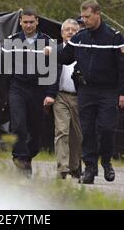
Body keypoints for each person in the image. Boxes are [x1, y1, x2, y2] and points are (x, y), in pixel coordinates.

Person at [50, 0, 124, 184]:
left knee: (106, 128)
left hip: (108, 91)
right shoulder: (80, 37)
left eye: (87, 17)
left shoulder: (114, 37)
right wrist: (51, 51)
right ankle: (90, 168)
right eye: (82, 17)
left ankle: (107, 162)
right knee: (86, 131)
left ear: (97, 14)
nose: (84, 21)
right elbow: (65, 56)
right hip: (86, 90)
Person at [4, 8, 56, 177]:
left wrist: (50, 93)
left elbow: (54, 69)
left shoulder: (48, 42)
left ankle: (28, 155)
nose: (28, 25)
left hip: (38, 89)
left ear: (37, 22)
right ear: (20, 22)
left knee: (36, 130)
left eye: (31, 22)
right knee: (18, 124)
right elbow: (3, 68)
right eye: (25, 22)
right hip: (17, 87)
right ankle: (20, 159)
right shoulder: (11, 41)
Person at [52, 18, 83, 180]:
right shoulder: (56, 51)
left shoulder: (83, 51)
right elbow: (48, 75)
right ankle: (62, 168)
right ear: (62, 33)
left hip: (79, 97)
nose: (70, 32)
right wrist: (49, 95)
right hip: (60, 96)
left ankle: (75, 166)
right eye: (67, 30)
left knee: (77, 135)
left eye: (74, 30)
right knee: (62, 131)